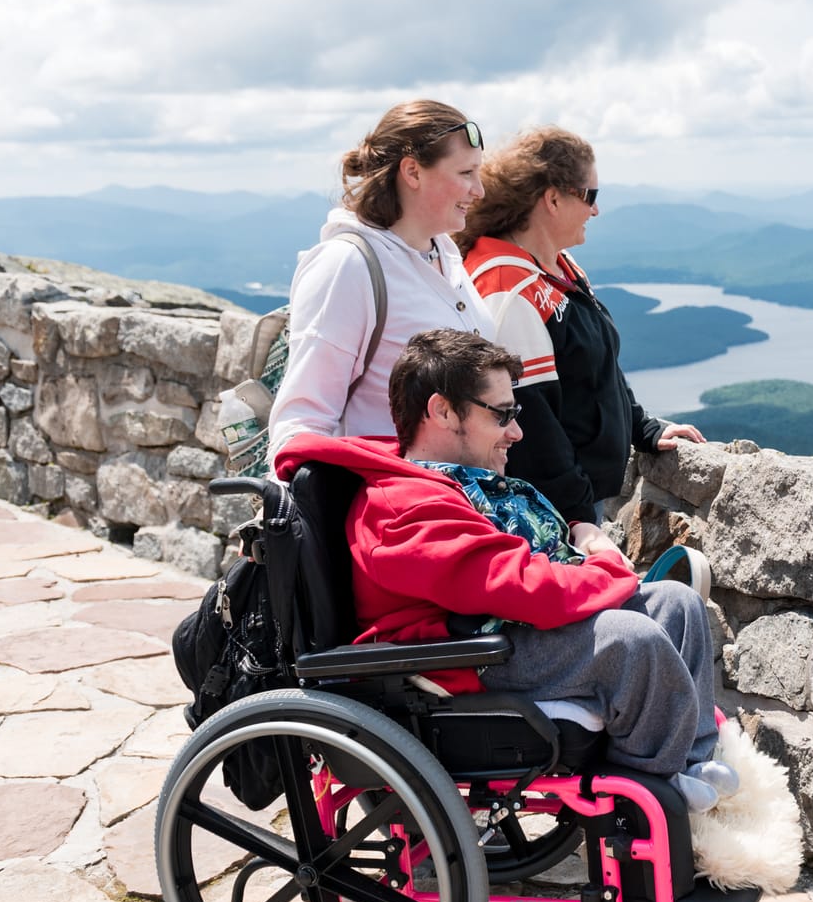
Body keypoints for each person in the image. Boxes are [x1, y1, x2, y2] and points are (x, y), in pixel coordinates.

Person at [272, 329, 737, 810]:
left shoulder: (452, 485)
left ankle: (692, 766)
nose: (516, 431)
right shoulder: (400, 506)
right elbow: (518, 585)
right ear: (442, 411)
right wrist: (605, 567)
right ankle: (649, 804)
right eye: (503, 415)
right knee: (630, 642)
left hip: (502, 634)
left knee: (677, 604)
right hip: (460, 658)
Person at [454, 127, 702, 526]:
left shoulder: (557, 267)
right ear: (553, 198)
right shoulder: (508, 288)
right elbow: (531, 424)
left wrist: (644, 428)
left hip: (579, 498)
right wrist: (578, 516)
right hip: (553, 510)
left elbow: (597, 366)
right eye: (591, 196)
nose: (596, 210)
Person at [266, 101, 496, 460]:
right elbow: (302, 420)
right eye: (466, 173)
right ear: (413, 172)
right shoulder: (348, 265)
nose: (479, 190)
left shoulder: (445, 254)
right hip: (388, 505)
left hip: (457, 502)